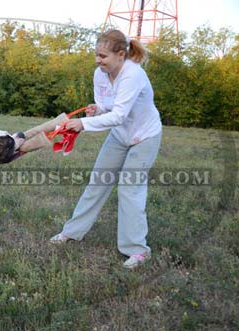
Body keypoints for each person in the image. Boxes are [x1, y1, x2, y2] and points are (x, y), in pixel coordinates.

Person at [49, 29, 162, 269]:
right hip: (120, 136)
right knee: (97, 184)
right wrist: (96, 110)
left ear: (121, 54)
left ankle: (138, 251)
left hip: (145, 137)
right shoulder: (100, 74)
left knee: (129, 190)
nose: (98, 60)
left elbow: (119, 115)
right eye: (97, 55)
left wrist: (83, 124)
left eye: (103, 56)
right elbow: (107, 107)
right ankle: (71, 232)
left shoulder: (133, 75)